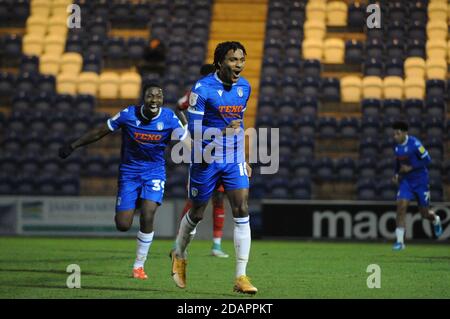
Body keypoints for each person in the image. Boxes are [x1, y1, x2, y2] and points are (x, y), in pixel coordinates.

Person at [58, 84, 187, 279]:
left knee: (148, 213)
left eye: (158, 97)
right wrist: (74, 145)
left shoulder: (169, 117)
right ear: (143, 98)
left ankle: (139, 266)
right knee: (123, 224)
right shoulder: (128, 114)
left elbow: (187, 141)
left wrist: (208, 156)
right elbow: (101, 131)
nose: (154, 100)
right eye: (150, 96)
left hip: (154, 172)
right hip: (129, 173)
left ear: (162, 100)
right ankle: (134, 201)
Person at [170, 41, 258, 294]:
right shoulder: (202, 88)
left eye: (242, 59)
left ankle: (241, 276)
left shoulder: (245, 87)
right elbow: (194, 129)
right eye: (233, 60)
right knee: (197, 212)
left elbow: (238, 124)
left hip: (232, 157)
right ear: (220, 62)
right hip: (206, 158)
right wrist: (220, 130)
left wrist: (244, 158)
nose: (238, 65)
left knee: (241, 208)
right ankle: (180, 253)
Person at [176, 63, 234, 258]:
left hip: (223, 150)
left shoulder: (227, 92)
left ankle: (216, 245)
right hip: (202, 150)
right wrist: (186, 131)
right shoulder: (196, 93)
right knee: (196, 198)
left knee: (219, 198)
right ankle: (180, 242)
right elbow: (178, 107)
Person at [391, 120, 442, 251]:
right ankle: (400, 242)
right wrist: (396, 174)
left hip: (420, 181)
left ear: (405, 133)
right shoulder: (397, 147)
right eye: (394, 134)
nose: (395, 136)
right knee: (401, 206)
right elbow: (397, 163)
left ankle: (436, 219)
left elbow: (427, 159)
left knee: (425, 214)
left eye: (397, 134)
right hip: (406, 182)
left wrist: (412, 167)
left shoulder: (415, 144)